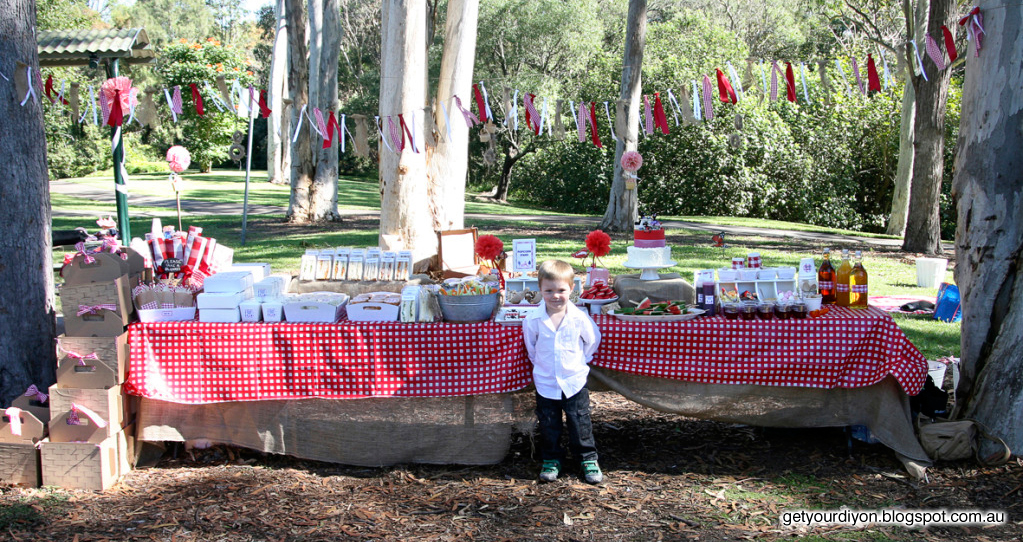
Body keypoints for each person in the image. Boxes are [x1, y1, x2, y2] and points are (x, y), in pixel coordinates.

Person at [522, 259, 603, 484]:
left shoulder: (579, 318)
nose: (555, 296)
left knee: (580, 421)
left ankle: (587, 458)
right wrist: (541, 365)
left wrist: (581, 362)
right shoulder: (533, 320)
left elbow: (592, 341)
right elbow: (531, 347)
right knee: (549, 423)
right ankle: (551, 459)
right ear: (540, 290)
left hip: (573, 380)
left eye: (561, 290)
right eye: (549, 291)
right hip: (546, 382)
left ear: (572, 289)